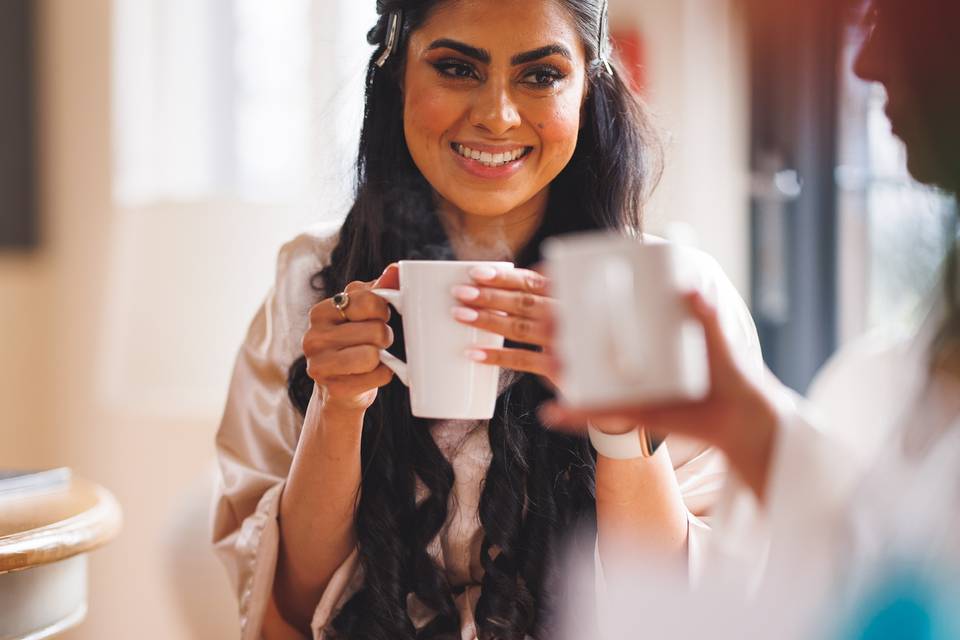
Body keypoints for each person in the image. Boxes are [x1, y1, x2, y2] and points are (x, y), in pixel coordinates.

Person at [211, 1, 762, 639]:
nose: (498, 115)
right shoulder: (310, 282)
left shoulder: (678, 298)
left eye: (541, 75)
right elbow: (295, 601)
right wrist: (337, 405)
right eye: (456, 68)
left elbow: (680, 614)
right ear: (397, 76)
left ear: (590, 83)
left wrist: (619, 426)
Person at [544, 0, 960, 633]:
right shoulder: (892, 365)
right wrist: (748, 421)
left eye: (890, 27)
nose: (867, 63)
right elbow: (897, 572)